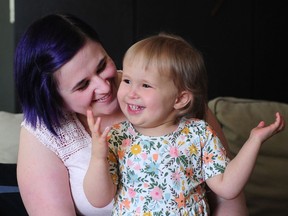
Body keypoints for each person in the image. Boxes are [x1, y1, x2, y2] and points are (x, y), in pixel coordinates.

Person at [14, 13, 248, 216]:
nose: (105, 88)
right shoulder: (43, 132)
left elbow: (228, 197)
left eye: (101, 65)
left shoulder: (164, 89)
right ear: (54, 99)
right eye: (83, 85)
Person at [83, 34, 285, 215]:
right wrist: (98, 157)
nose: (131, 93)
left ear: (179, 99)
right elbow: (98, 199)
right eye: (127, 80)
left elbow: (227, 187)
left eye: (145, 85)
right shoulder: (118, 136)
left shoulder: (198, 133)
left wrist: (254, 141)